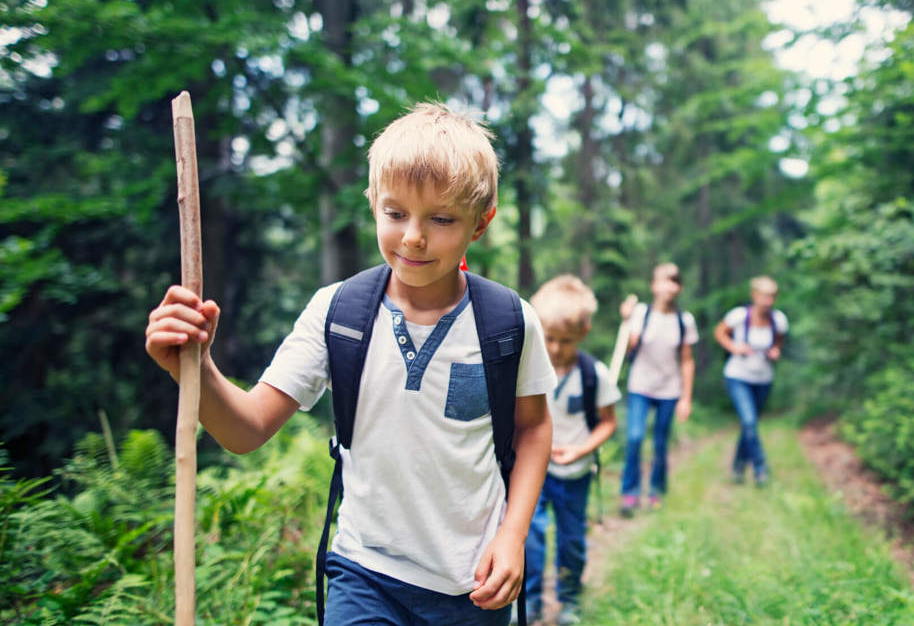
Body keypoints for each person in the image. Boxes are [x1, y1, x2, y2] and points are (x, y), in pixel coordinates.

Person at [144, 103, 557, 626]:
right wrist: (193, 369)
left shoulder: (509, 322)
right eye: (395, 213)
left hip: (471, 584)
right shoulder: (337, 312)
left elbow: (534, 429)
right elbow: (245, 430)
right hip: (364, 573)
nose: (413, 236)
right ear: (372, 204)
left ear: (481, 224)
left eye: (442, 218)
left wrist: (513, 535)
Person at [521, 275, 619, 625]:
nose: (557, 348)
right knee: (528, 535)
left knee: (571, 539)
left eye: (566, 341)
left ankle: (570, 599)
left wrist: (581, 450)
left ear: (584, 333)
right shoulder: (527, 369)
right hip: (533, 471)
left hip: (575, 474)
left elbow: (608, 422)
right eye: (549, 339)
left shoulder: (595, 375)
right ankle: (529, 601)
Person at [618, 262, 698, 516]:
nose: (668, 286)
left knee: (661, 443)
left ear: (679, 287)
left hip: (669, 390)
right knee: (635, 437)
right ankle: (629, 493)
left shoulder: (684, 321)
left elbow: (687, 360)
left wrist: (686, 398)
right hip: (640, 385)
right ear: (654, 285)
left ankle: (656, 491)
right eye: (663, 280)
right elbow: (629, 349)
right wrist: (627, 320)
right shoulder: (641, 313)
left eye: (674, 281)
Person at [713, 275, 788, 486]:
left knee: (750, 425)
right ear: (755, 296)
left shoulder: (778, 320)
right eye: (765, 296)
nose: (768, 301)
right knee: (749, 421)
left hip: (763, 378)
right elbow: (719, 333)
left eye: (772, 297)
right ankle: (760, 469)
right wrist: (734, 348)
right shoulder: (739, 316)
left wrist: (775, 351)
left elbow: (780, 341)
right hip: (738, 376)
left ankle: (738, 466)